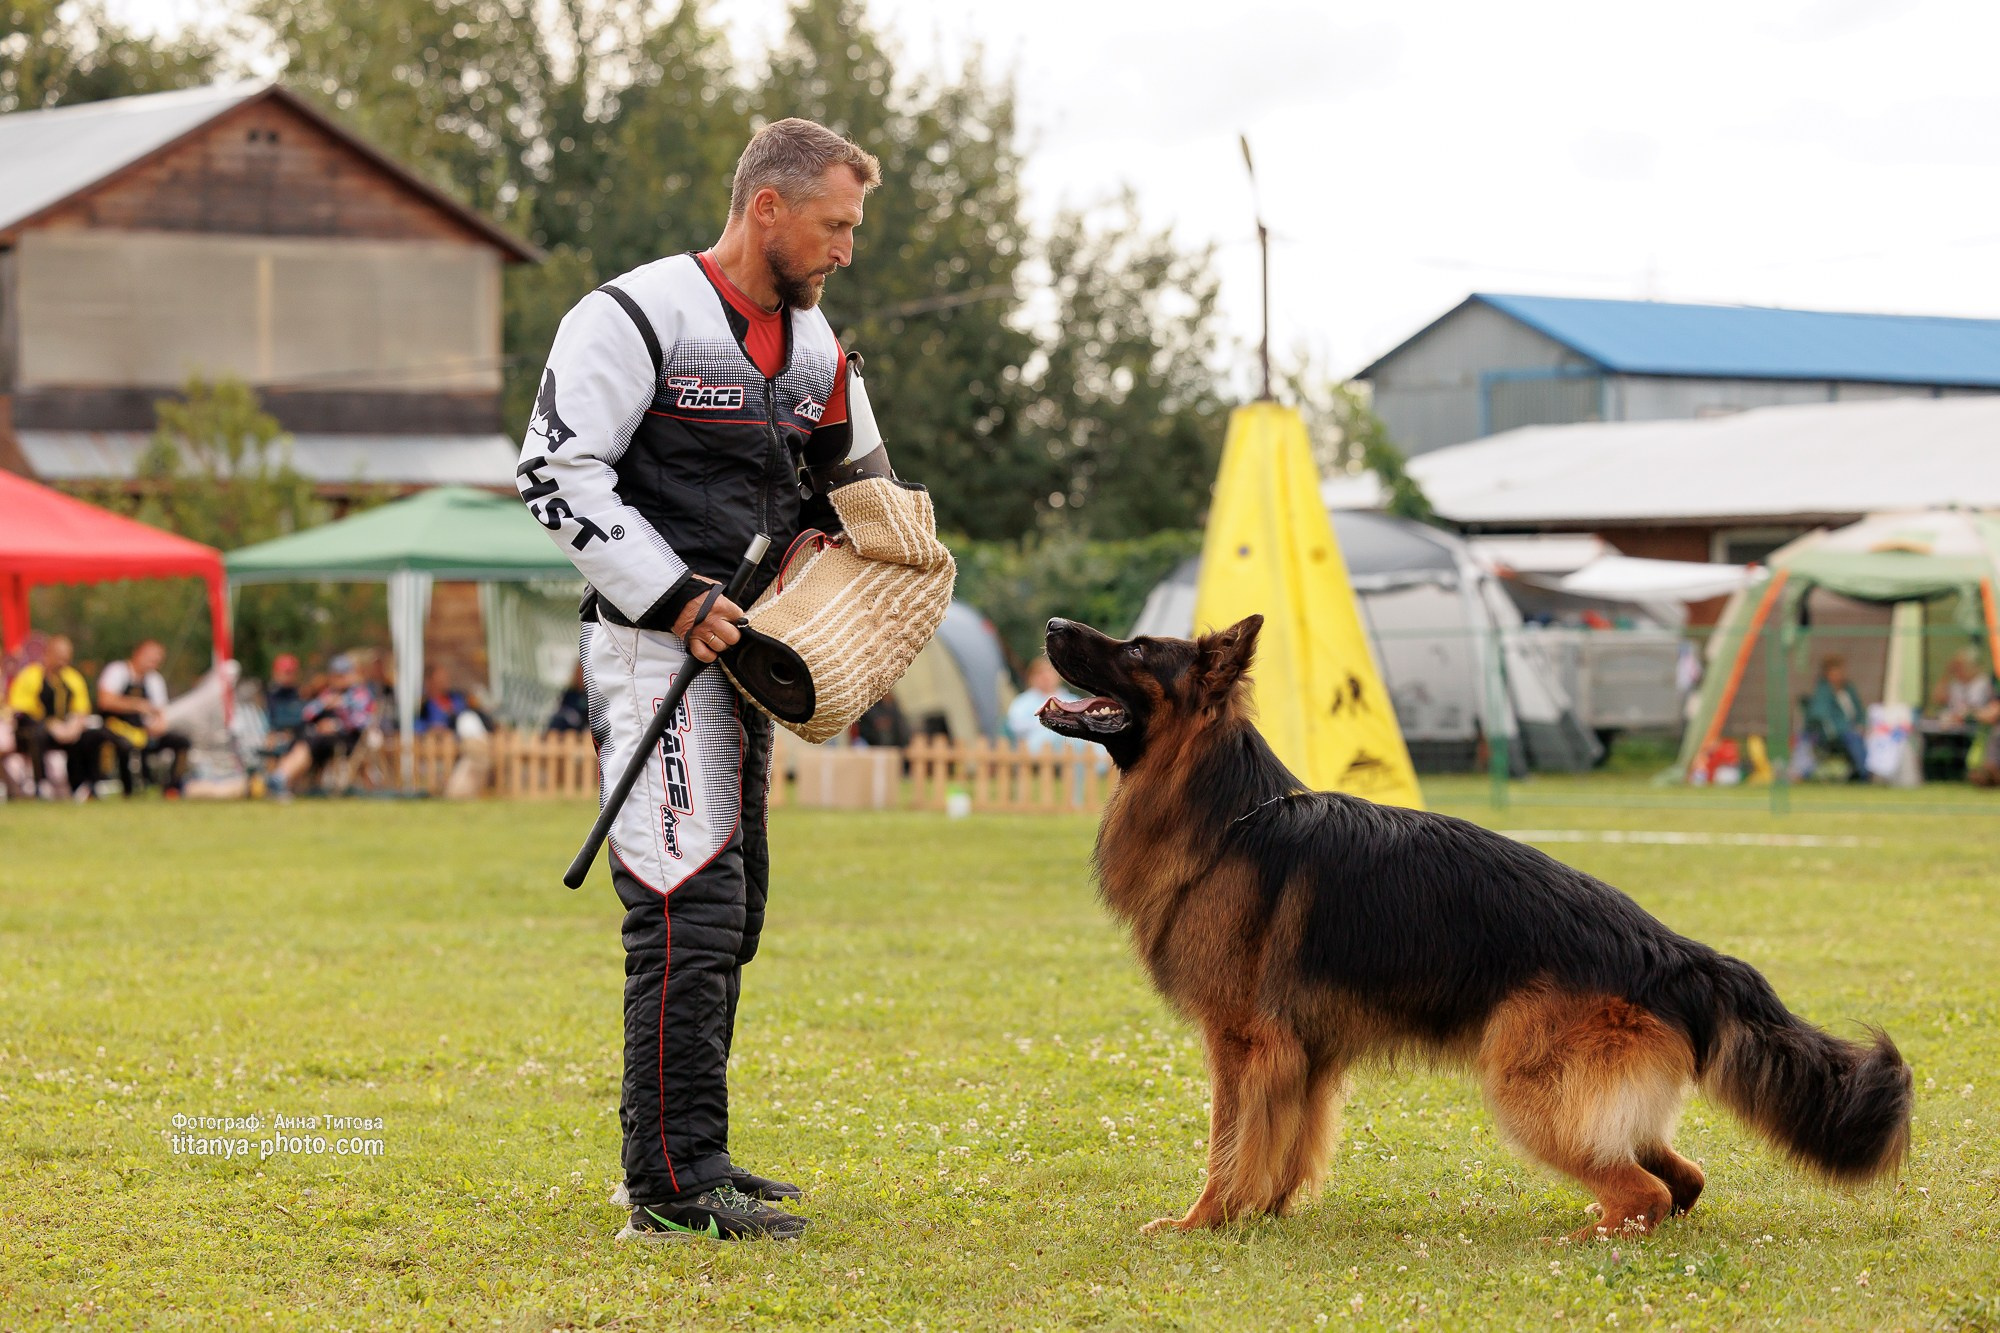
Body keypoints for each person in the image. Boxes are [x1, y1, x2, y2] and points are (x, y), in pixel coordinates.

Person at [519, 117, 881, 1243]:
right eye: (834, 226)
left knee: (734, 908)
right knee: (685, 903)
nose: (844, 252)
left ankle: (698, 1153)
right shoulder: (633, 314)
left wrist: (892, 563)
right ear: (765, 207)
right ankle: (666, 1190)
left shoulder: (817, 349)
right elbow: (551, 468)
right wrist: (675, 595)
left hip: (754, 661)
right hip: (651, 651)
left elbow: (860, 487)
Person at [6, 635, 112, 799]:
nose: (62, 662)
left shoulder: (72, 678)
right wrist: (51, 725)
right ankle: (41, 785)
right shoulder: (31, 676)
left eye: (66, 658)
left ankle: (86, 785)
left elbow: (81, 709)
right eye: (59, 657)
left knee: (95, 736)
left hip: (66, 728)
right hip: (38, 729)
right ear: (47, 654)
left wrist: (74, 727)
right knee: (37, 734)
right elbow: (21, 711)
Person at [266, 654, 377, 796]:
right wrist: (325, 704)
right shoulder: (329, 693)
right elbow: (307, 713)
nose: (337, 678)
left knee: (312, 739)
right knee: (304, 736)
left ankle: (280, 778)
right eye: (335, 675)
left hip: (348, 739)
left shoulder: (359, 694)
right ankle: (282, 779)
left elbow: (363, 722)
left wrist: (337, 724)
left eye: (341, 674)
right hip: (321, 739)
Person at [97, 639, 190, 796]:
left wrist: (159, 725)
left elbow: (161, 712)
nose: (153, 662)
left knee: (181, 741)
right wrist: (137, 705)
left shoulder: (154, 680)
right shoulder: (118, 671)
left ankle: (172, 789)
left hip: (144, 731)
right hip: (115, 727)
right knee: (124, 745)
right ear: (137, 653)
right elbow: (105, 701)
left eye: (158, 659)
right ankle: (127, 791)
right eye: (151, 657)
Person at [1006, 655, 1092, 754]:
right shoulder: (1022, 702)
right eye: (1040, 673)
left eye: (1050, 672)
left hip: (1073, 752)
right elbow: (1015, 725)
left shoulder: (1072, 701)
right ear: (1031, 678)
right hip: (1034, 750)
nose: (1046, 677)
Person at [1804, 653, 1868, 781]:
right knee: (1854, 738)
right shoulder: (1823, 691)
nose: (1839, 675)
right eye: (1835, 672)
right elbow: (1820, 715)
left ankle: (1876, 773)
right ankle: (1865, 774)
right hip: (1835, 735)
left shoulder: (1848, 689)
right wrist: (1848, 728)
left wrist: (1862, 725)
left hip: (1856, 730)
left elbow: (1860, 711)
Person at [413, 664, 469, 735]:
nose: (445, 680)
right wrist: (430, 727)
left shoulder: (457, 699)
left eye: (446, 677)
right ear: (429, 680)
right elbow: (416, 725)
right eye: (440, 677)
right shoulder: (423, 704)